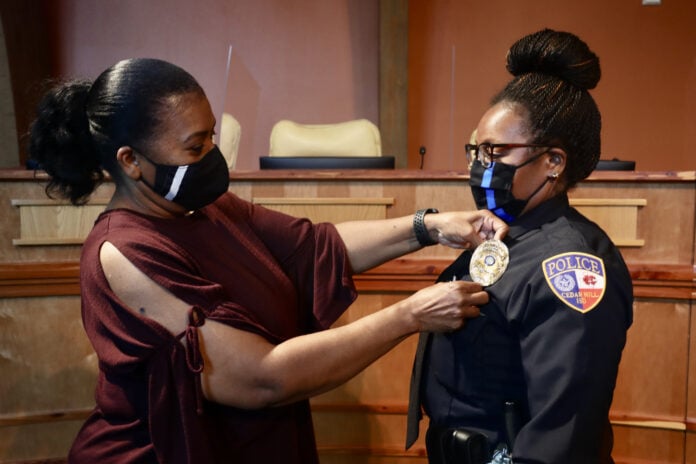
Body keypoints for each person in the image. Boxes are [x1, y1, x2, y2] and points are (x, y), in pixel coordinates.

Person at [27, 57, 508, 463]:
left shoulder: (208, 208)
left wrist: (428, 226)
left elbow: (318, 247)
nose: (212, 155)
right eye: (194, 147)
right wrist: (410, 315)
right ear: (131, 161)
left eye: (211, 137)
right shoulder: (125, 251)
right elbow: (261, 378)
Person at [405, 29, 633, 464]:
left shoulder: (574, 263)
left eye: (496, 152)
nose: (479, 167)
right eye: (476, 151)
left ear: (553, 162)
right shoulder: (506, 233)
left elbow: (562, 433)